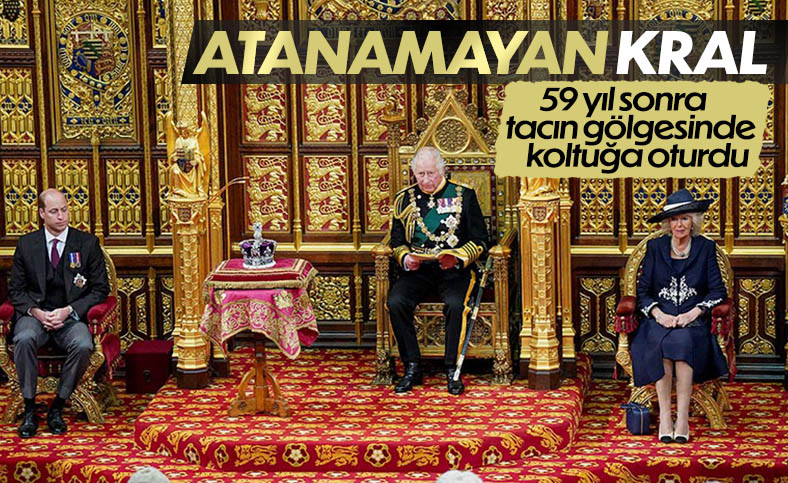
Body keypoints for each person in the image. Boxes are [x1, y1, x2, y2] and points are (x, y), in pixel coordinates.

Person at [387, 147, 488, 395]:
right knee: (396, 302)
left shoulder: (463, 196)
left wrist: (457, 258)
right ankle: (412, 366)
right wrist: (405, 258)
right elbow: (396, 241)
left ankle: (452, 369)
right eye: (420, 174)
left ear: (442, 170)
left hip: (454, 271)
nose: (426, 180)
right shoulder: (404, 200)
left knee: (455, 305)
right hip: (418, 270)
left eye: (430, 173)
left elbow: (481, 240)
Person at [9, 189, 110, 438]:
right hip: (35, 317)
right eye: (54, 211)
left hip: (70, 318)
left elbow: (100, 290)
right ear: (42, 213)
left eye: (64, 210)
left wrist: (69, 311)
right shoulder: (26, 244)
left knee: (83, 344)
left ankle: (58, 405)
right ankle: (29, 407)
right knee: (23, 338)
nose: (61, 216)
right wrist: (36, 312)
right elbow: (16, 291)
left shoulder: (87, 243)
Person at [630, 189, 728, 444]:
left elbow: (718, 291)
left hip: (692, 321)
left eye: (684, 218)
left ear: (693, 221)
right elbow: (643, 292)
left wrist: (694, 312)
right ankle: (665, 416)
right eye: (674, 219)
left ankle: (682, 417)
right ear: (668, 223)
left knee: (683, 343)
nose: (679, 224)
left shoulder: (706, 248)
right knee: (660, 344)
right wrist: (658, 314)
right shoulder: (655, 247)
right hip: (659, 319)